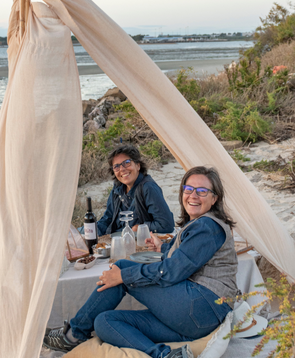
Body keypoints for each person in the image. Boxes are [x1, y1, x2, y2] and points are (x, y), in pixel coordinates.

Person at [44, 166, 239, 358]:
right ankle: (163, 355)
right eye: (188, 189)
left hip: (203, 306)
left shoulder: (207, 225)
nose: (193, 195)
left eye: (202, 191)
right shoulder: (200, 224)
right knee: (104, 321)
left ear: (214, 198)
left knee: (122, 267)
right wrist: (163, 248)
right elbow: (189, 256)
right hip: (195, 322)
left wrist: (123, 276)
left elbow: (172, 272)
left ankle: (73, 334)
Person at [96, 145, 174, 236]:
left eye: (127, 162)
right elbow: (107, 219)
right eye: (116, 166)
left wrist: (139, 227)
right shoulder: (118, 187)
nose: (122, 169)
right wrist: (92, 233)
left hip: (138, 243)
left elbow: (166, 225)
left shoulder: (148, 188)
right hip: (115, 240)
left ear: (138, 165)